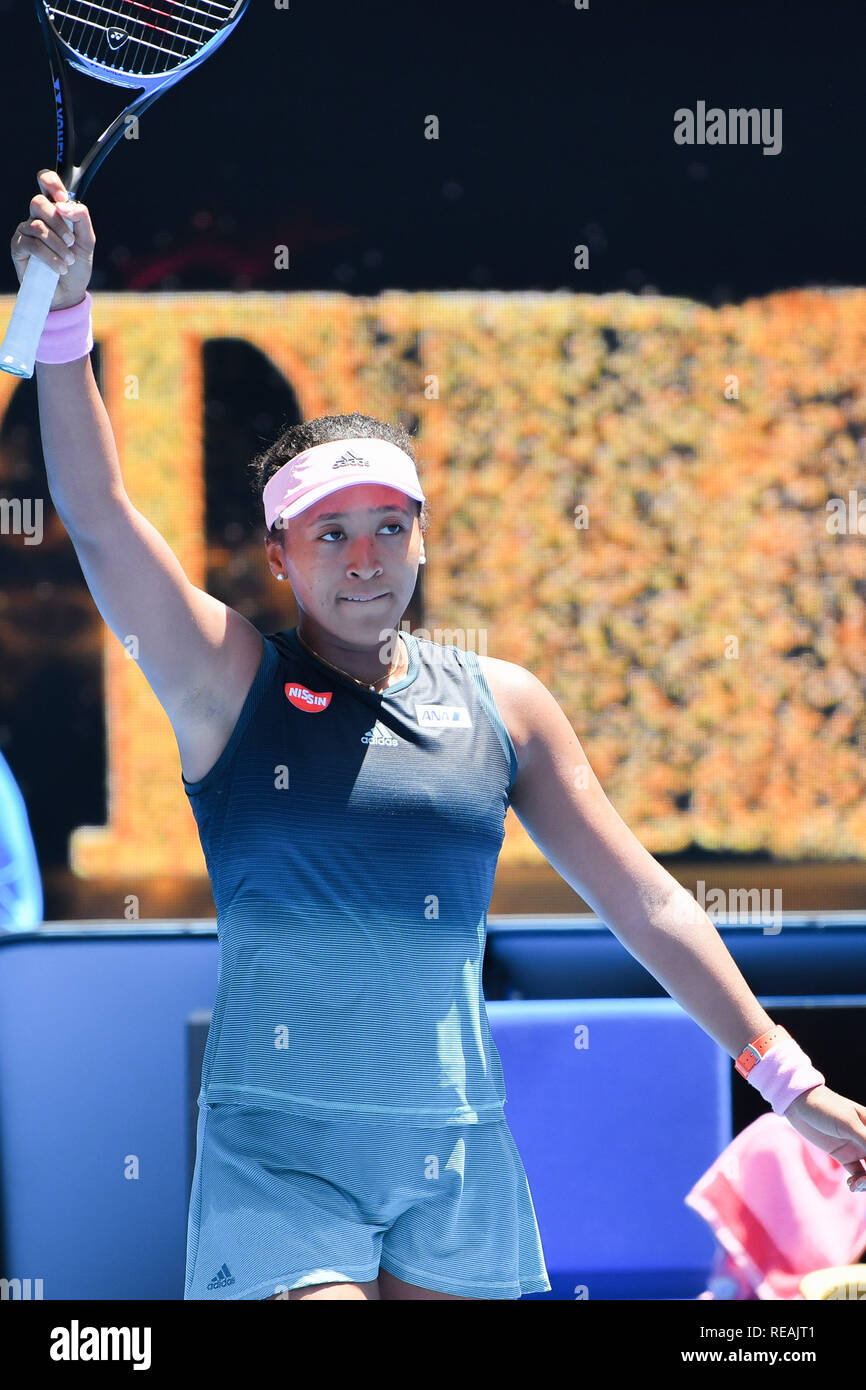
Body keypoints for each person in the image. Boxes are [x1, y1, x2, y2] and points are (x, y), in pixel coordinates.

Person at [11, 169, 866, 1303]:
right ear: (277, 557)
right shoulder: (225, 684)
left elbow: (646, 903)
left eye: (387, 529)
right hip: (278, 1156)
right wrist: (64, 312)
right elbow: (102, 514)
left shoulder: (506, 706)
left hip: (453, 1153)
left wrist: (788, 1078)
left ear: (420, 538)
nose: (362, 559)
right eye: (328, 535)